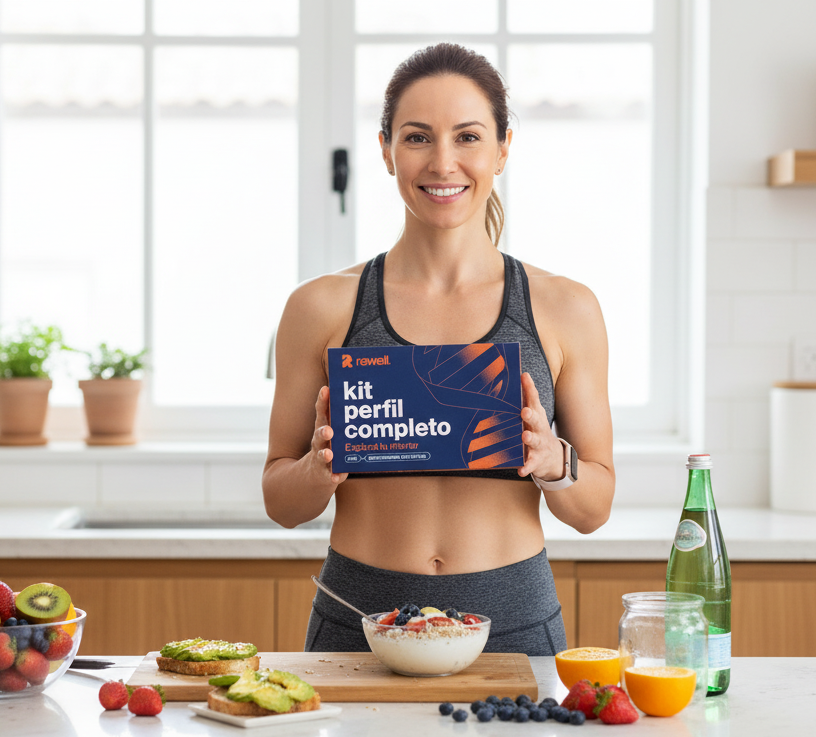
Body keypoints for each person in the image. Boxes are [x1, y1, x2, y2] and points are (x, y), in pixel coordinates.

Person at [263, 42, 614, 655]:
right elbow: (279, 500)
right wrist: (319, 467)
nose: (443, 162)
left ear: (504, 147)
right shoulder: (320, 307)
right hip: (359, 625)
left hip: (513, 627)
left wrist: (552, 458)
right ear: (386, 150)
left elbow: (594, 507)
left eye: (469, 137)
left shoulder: (566, 307)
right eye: (418, 137)